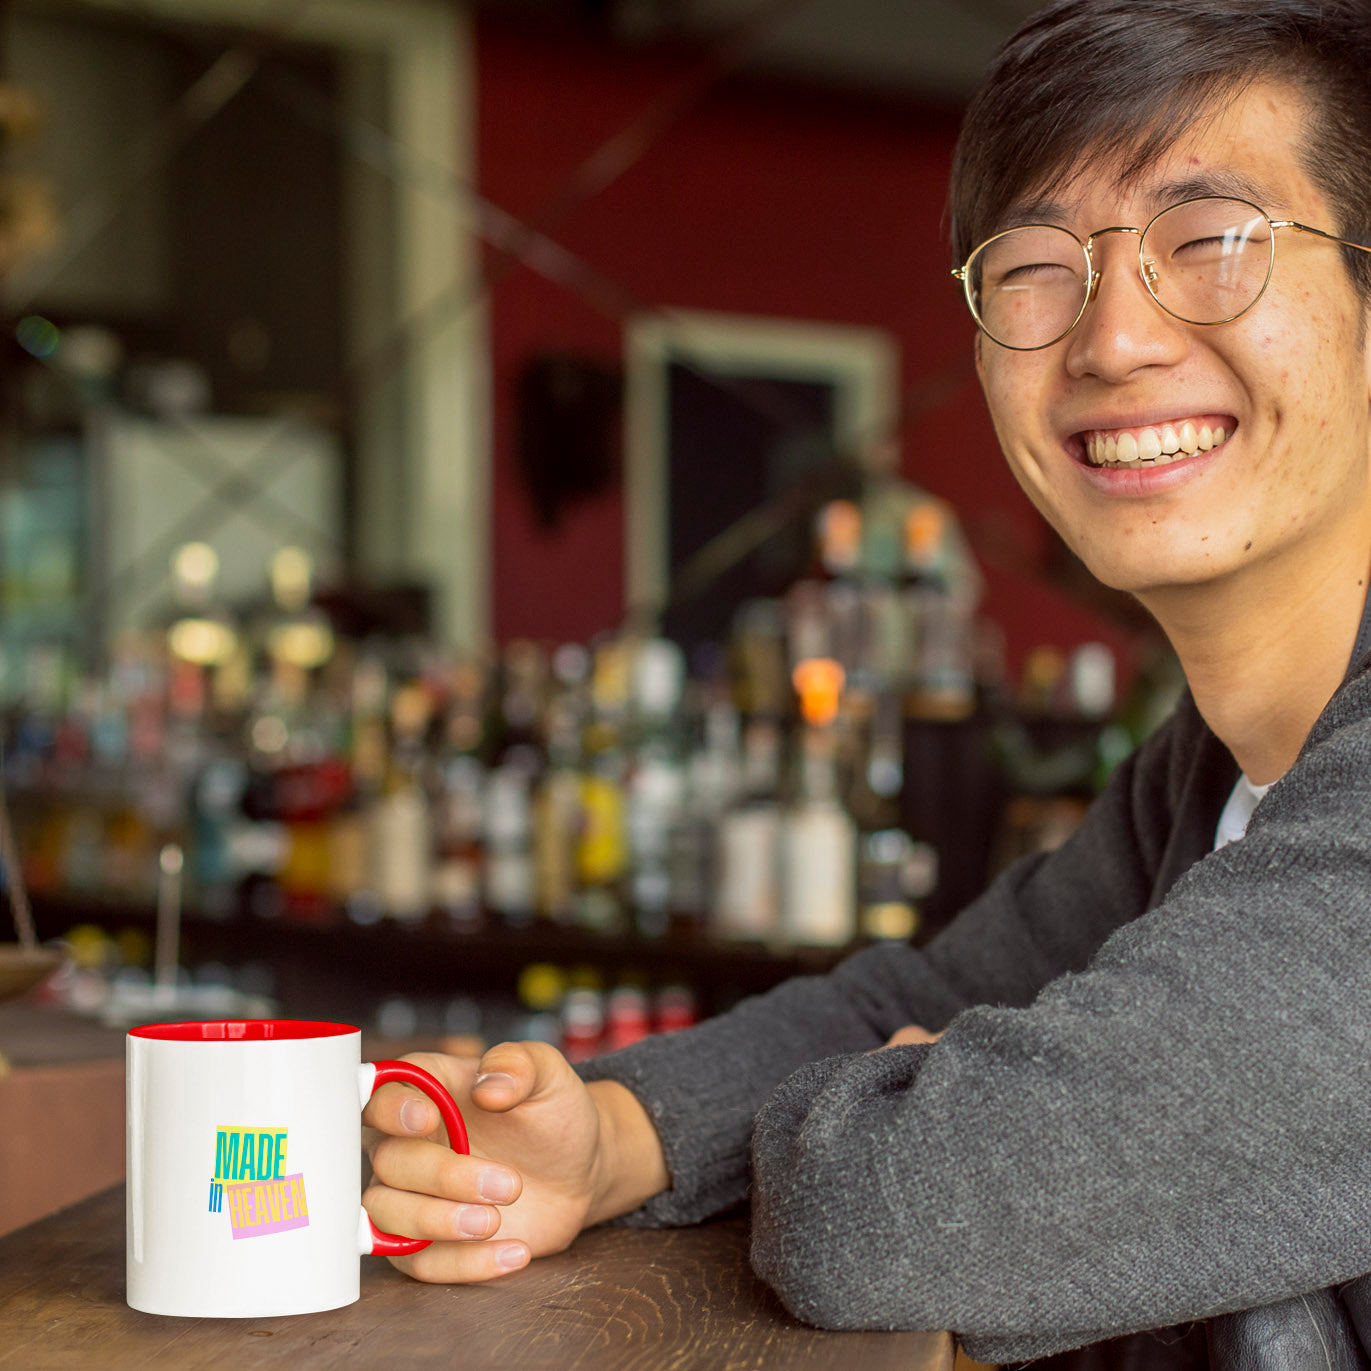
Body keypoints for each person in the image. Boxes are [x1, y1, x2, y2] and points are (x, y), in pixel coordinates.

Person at [360, 1, 1371, 1365]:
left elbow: (903, 1215)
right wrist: (608, 1136)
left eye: (1210, 243)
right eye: (1034, 266)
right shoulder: (1207, 779)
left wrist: (904, 1118)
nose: (1113, 339)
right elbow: (916, 991)